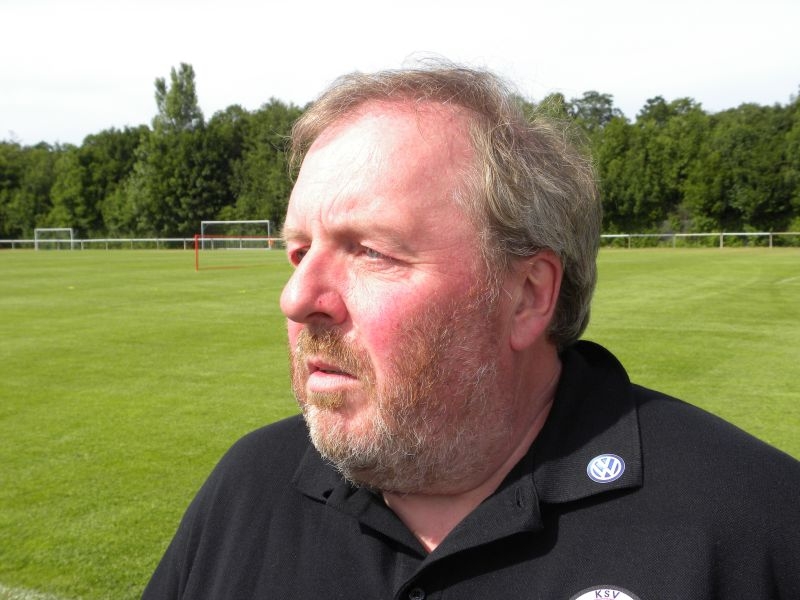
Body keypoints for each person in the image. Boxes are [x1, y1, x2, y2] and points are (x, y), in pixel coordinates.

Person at [143, 63, 800, 600]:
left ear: (527, 296)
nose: (296, 299)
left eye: (370, 252)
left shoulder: (754, 524)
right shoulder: (248, 487)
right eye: (299, 251)